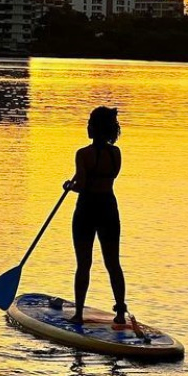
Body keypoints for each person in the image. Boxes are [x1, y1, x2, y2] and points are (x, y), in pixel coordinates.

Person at [63, 106, 127, 325]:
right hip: (108, 207)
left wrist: (69, 186)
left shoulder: (83, 154)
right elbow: (111, 176)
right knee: (113, 263)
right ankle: (120, 312)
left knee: (83, 263)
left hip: (87, 209)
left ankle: (79, 313)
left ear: (92, 128)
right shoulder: (116, 153)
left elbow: (82, 185)